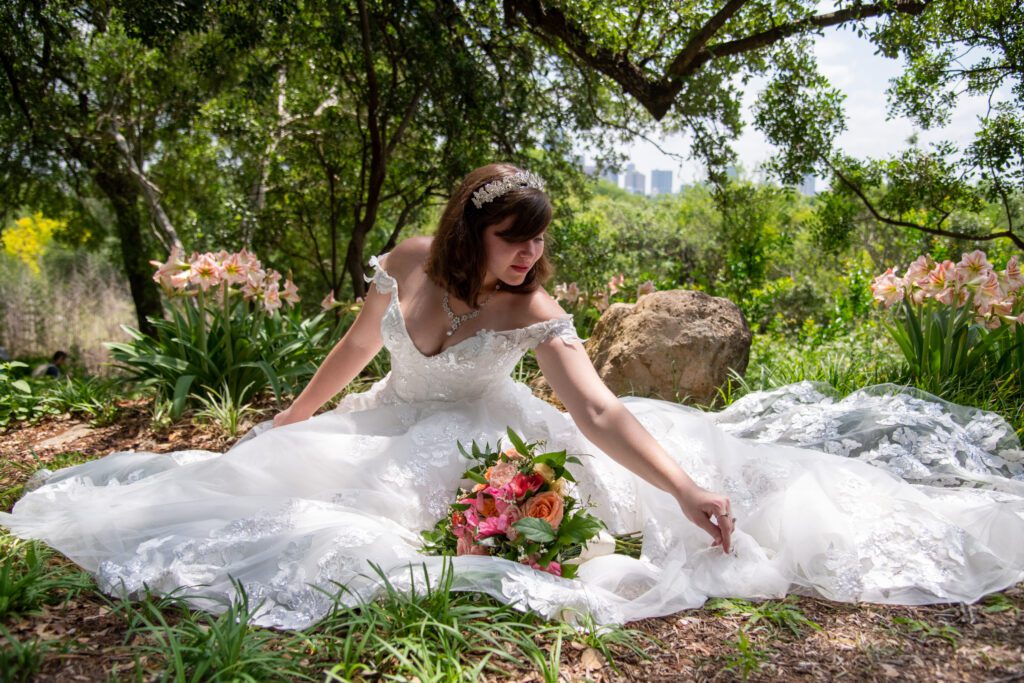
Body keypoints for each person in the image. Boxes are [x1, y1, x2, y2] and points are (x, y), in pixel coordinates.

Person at [1, 164, 1022, 630]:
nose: (530, 252)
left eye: (539, 237)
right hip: (388, 422)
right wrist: (301, 414)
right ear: (466, 234)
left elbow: (599, 412)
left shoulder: (536, 307)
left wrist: (679, 491)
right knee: (270, 485)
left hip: (474, 435)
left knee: (428, 517)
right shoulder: (405, 261)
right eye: (512, 235)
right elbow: (358, 345)